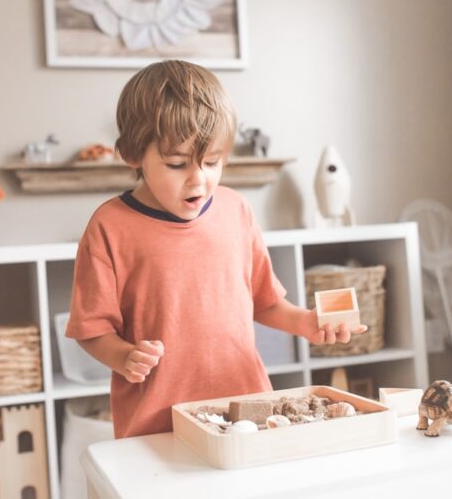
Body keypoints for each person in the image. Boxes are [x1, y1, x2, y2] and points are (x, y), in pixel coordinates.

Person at [66, 60, 367, 439]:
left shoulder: (236, 210)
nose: (199, 179)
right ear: (132, 154)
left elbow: (265, 301)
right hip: (158, 424)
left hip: (247, 411)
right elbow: (90, 329)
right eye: (177, 164)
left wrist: (306, 323)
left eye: (212, 162)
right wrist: (123, 357)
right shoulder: (109, 227)